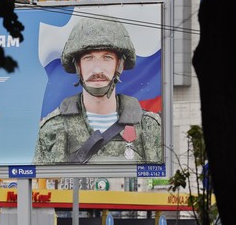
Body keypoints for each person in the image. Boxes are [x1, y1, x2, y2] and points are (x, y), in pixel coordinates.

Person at [33, 17, 162, 164]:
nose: (97, 69)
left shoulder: (148, 126)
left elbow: (163, 181)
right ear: (78, 66)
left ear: (119, 65)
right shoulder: (53, 128)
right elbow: (38, 182)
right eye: (88, 58)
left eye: (107, 58)